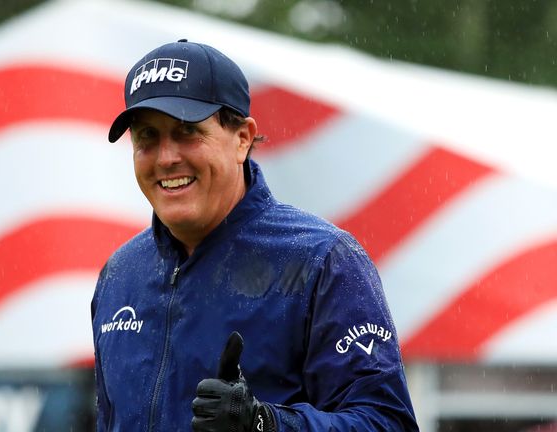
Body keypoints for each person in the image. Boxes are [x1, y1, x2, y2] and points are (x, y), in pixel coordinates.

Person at [91, 39, 418, 431]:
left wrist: (264, 423)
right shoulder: (120, 274)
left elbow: (387, 423)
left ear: (243, 138)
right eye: (147, 136)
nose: (166, 157)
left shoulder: (322, 261)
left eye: (187, 131)